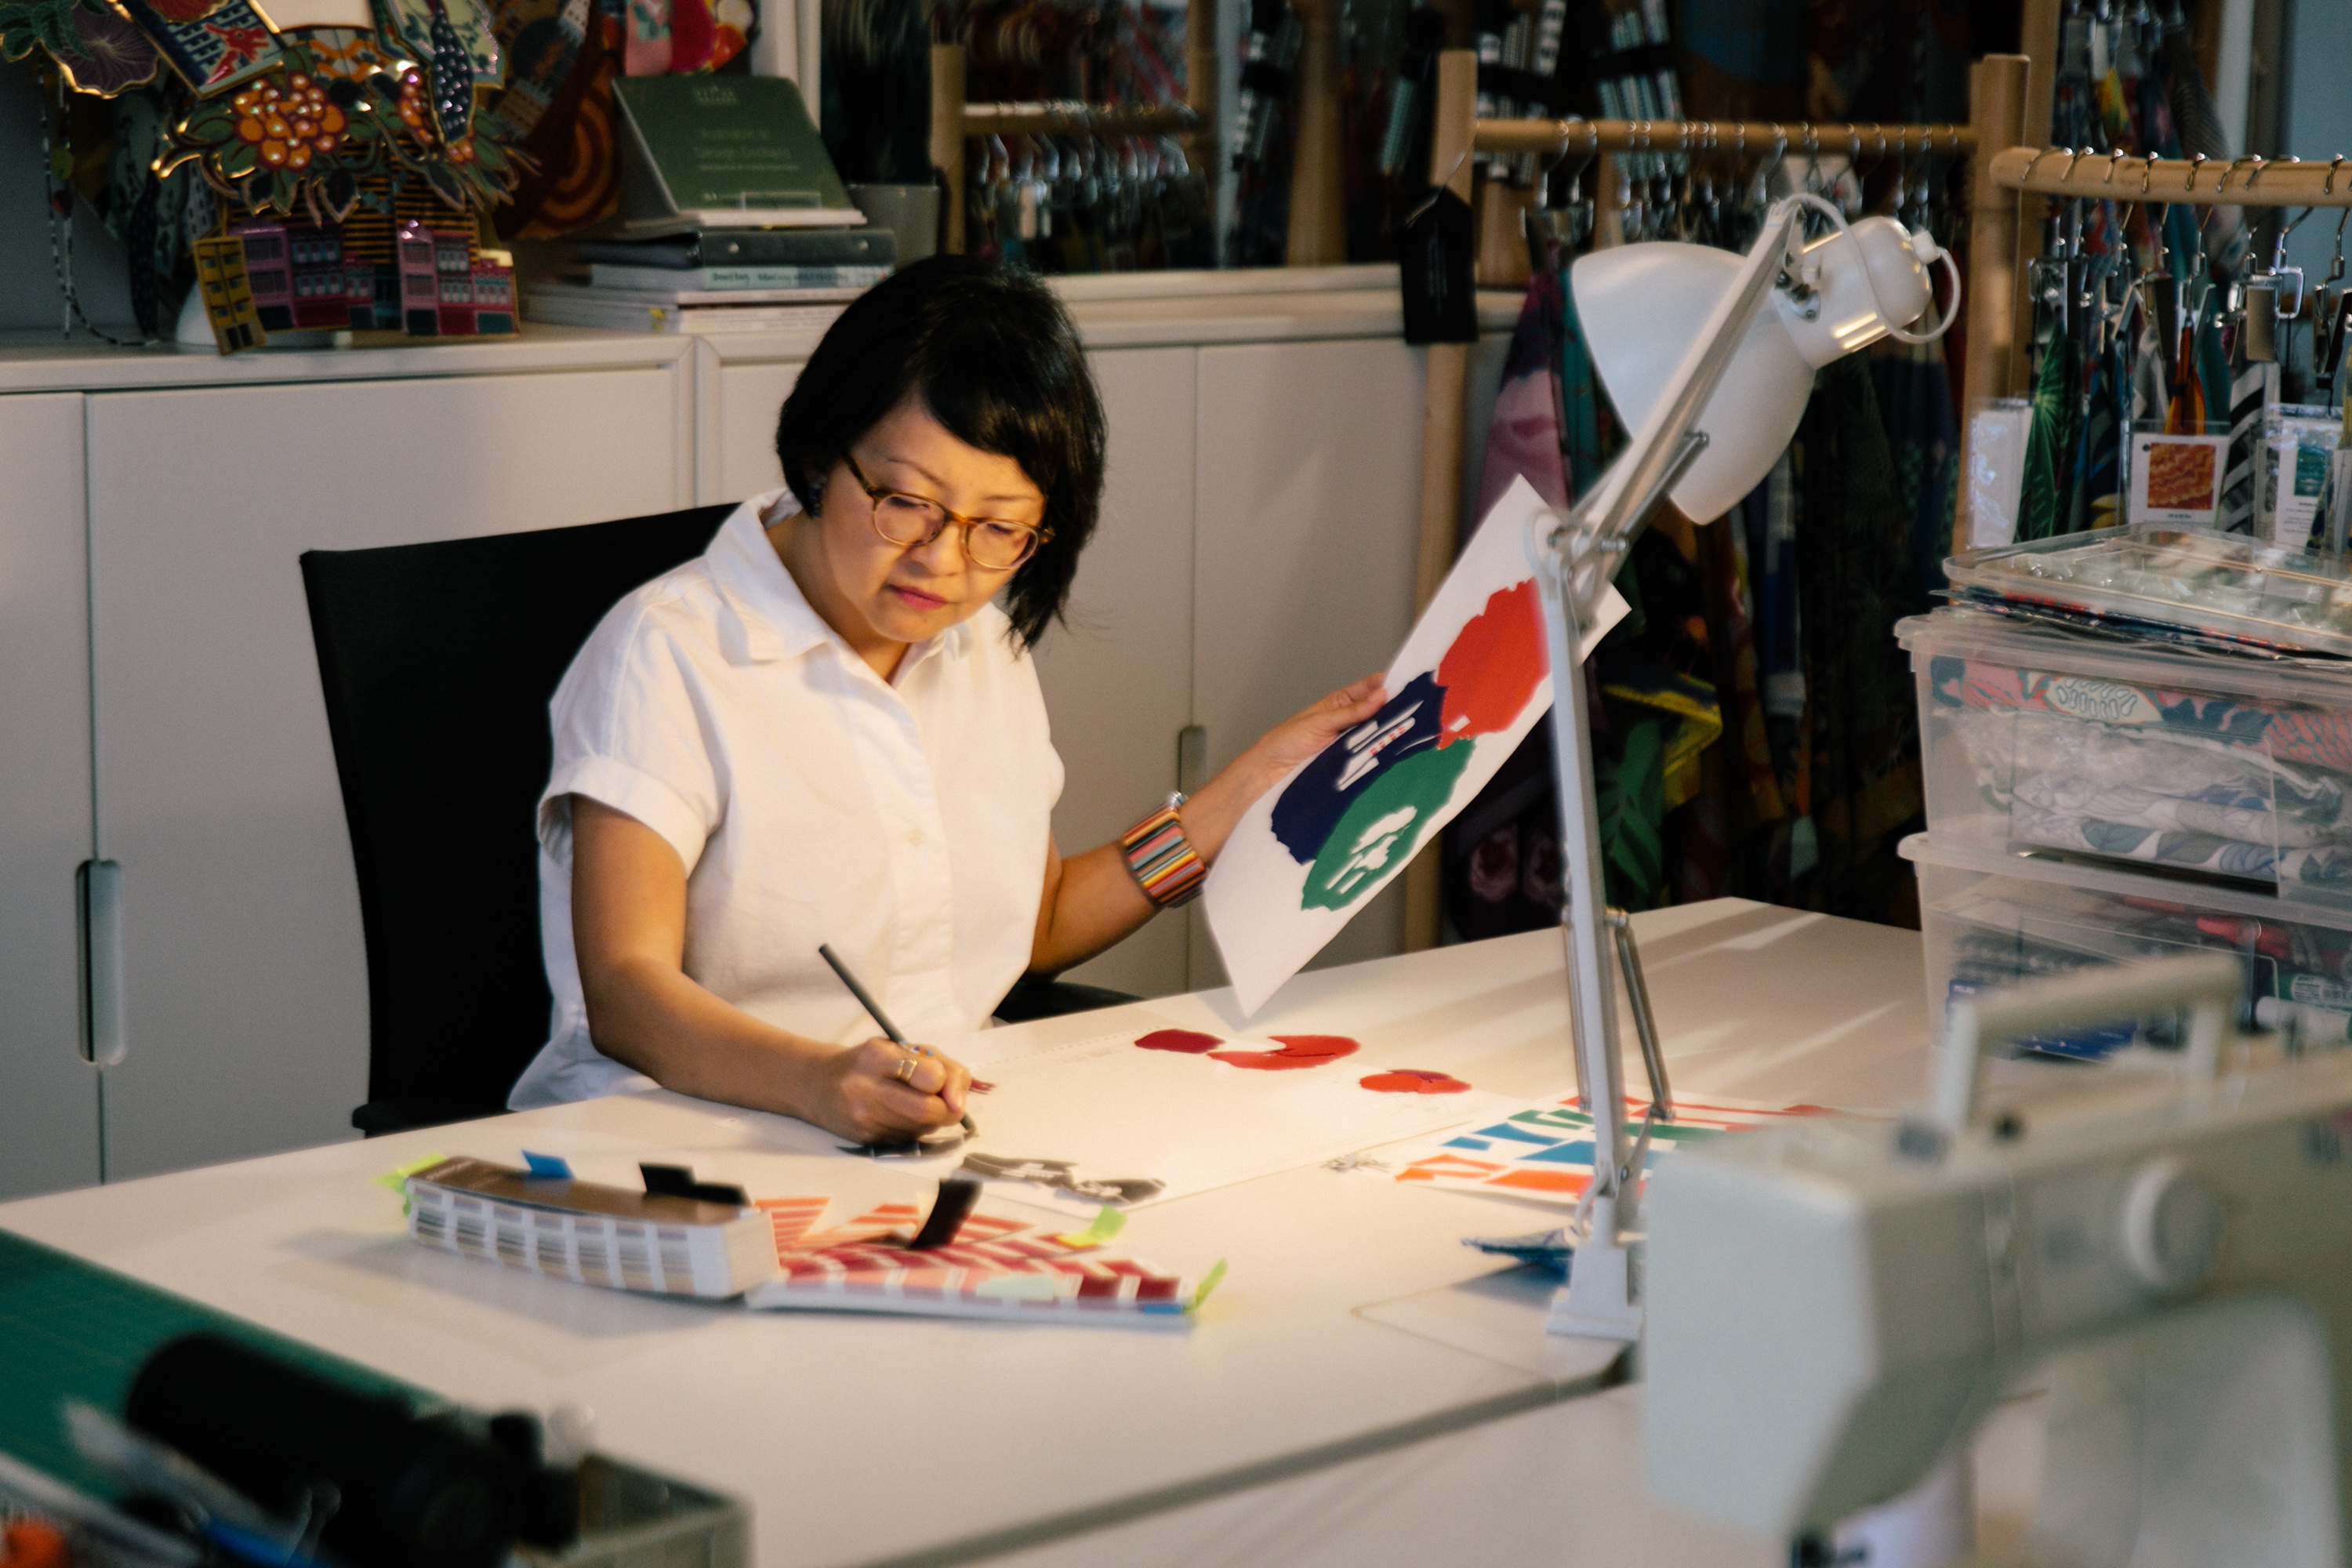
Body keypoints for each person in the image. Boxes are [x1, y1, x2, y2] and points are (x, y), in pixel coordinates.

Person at [508, 256, 1385, 1142]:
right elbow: (624, 990)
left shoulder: (980, 647)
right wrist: (820, 1083)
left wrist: (1239, 795)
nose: (942, 558)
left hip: (926, 1133)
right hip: (676, 1141)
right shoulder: (668, 650)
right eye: (906, 501)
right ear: (821, 453)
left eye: (999, 527)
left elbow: (1033, 925)